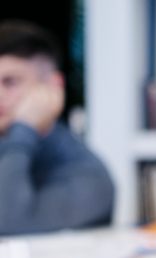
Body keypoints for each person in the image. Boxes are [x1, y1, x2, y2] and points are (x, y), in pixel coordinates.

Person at [0, 20, 113, 235]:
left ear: (54, 86)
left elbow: (6, 229)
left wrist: (23, 129)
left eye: (10, 82)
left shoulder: (88, 175)